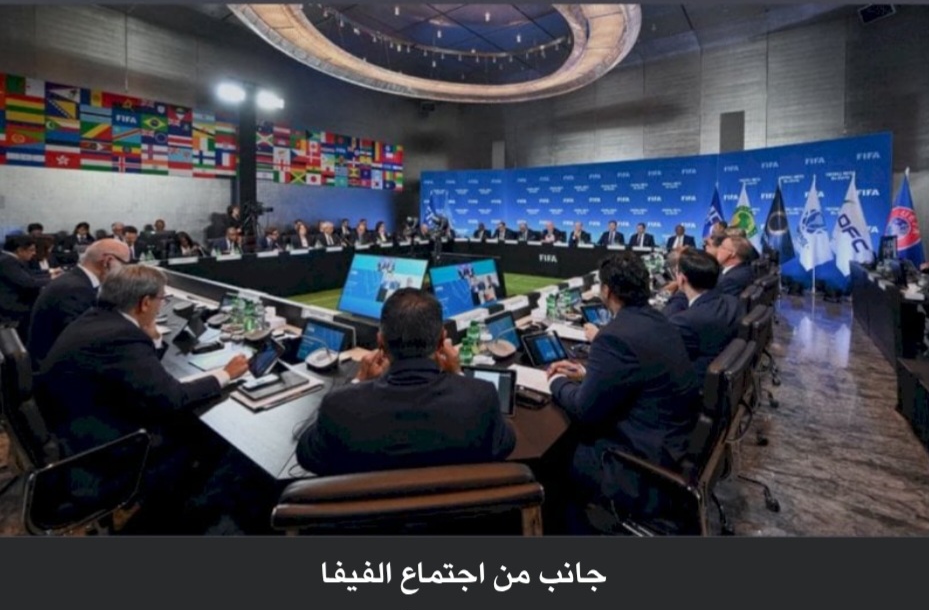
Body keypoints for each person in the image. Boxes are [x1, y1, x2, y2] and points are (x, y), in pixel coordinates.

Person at [36, 265, 250, 532]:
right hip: (101, 459)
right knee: (215, 439)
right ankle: (187, 522)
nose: (162, 305)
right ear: (145, 303)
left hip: (76, 434)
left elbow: (145, 379)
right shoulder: (121, 337)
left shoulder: (96, 319)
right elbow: (171, 399)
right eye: (161, 299)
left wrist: (154, 338)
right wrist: (226, 374)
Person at [546, 251, 700, 532]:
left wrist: (555, 382)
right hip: (675, 444)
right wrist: (586, 375)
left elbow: (583, 410)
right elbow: (637, 374)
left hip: (640, 465)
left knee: (556, 455)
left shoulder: (614, 337)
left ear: (607, 291)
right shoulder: (659, 320)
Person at [296, 288, 515, 475]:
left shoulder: (338, 406)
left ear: (380, 342)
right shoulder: (481, 397)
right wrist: (458, 374)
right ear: (442, 340)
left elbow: (306, 455)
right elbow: (505, 444)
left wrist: (358, 382)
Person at [28, 238, 131, 368]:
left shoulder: (77, 281)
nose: (125, 271)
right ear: (107, 261)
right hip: (57, 368)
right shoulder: (74, 290)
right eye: (125, 265)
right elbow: (85, 339)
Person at [666, 249, 741, 381]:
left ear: (682, 279)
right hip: (723, 376)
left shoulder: (683, 322)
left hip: (693, 382)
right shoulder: (733, 302)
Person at [0, 235, 59, 343]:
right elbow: (28, 282)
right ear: (20, 250)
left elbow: (29, 274)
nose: (34, 253)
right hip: (13, 305)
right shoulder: (8, 261)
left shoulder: (10, 259)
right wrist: (53, 279)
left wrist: (50, 272)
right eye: (31, 250)